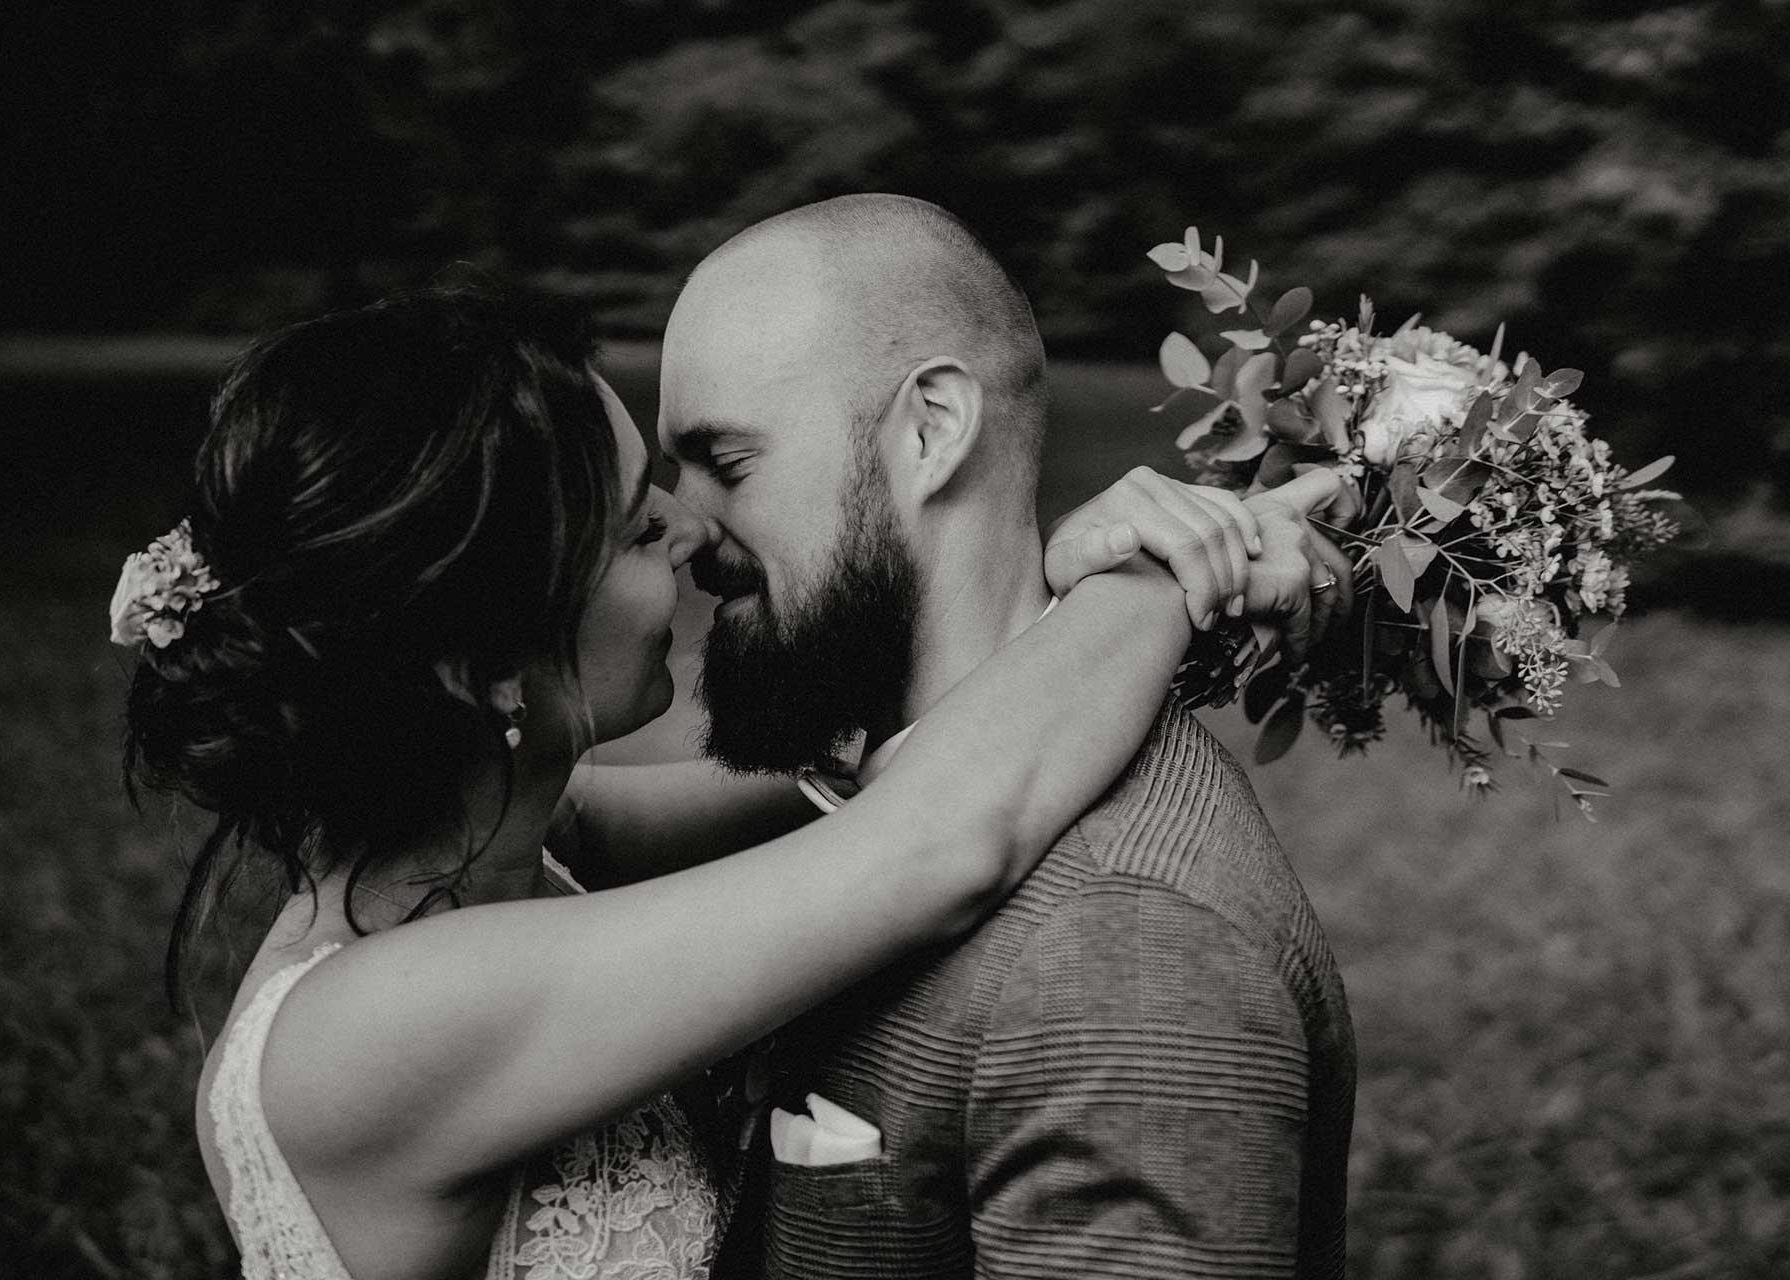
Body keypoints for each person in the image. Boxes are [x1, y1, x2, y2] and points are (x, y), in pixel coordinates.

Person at [116, 284, 1330, 1280]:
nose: (692, 537)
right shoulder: (381, 1024)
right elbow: (928, 842)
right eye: (640, 531)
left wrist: (1055, 595)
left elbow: (876, 770)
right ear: (483, 666)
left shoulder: (501, 851)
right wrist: (1169, 576)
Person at [635, 194, 1357, 1279]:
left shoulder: (1127, 950)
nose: (685, 529)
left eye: (727, 464)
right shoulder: (859, 793)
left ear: (931, 430)